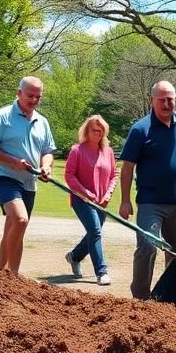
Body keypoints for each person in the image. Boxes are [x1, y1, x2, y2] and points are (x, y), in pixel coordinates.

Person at [118, 80, 176, 299]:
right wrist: (125, 200)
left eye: (171, 99)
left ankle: (170, 299)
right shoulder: (140, 129)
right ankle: (140, 298)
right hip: (150, 202)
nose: (167, 104)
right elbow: (127, 167)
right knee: (147, 247)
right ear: (152, 101)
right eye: (162, 100)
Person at [0, 76, 56, 274]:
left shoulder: (42, 122)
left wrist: (46, 167)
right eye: (30, 95)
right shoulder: (3, 116)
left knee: (14, 226)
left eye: (38, 97)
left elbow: (47, 150)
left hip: (29, 181)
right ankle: (13, 276)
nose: (34, 100)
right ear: (18, 93)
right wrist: (12, 160)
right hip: (4, 176)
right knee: (20, 220)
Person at [64, 115, 118, 286]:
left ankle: (75, 256)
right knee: (95, 231)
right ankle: (101, 272)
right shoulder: (77, 150)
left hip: (102, 201)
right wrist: (85, 192)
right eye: (94, 130)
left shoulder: (108, 152)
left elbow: (114, 175)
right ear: (87, 130)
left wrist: (108, 193)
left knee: (93, 233)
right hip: (82, 200)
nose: (97, 133)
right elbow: (69, 175)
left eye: (100, 131)